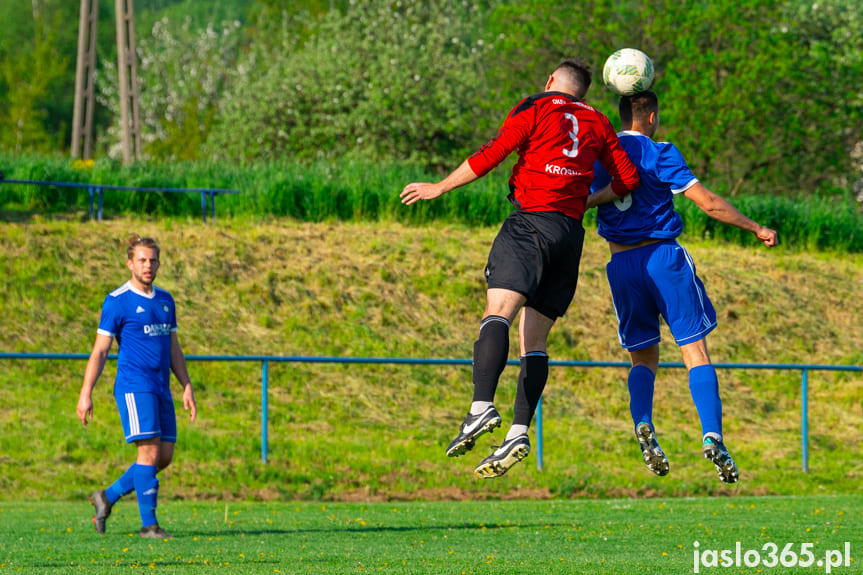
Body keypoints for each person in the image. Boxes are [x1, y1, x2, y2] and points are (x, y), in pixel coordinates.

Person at [401, 59, 640, 478]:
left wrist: (438, 187)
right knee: (536, 342)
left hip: (530, 223)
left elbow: (492, 154)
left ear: (550, 82)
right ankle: (517, 431)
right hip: (569, 235)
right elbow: (627, 180)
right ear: (582, 92)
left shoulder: (535, 107)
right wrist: (584, 201)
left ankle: (479, 408)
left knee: (498, 314)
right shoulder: (599, 122)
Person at [587, 90, 778, 484]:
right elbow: (707, 202)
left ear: (621, 116)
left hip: (621, 264)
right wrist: (755, 227)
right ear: (652, 118)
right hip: (663, 259)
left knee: (643, 359)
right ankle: (711, 434)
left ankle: (643, 423)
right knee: (695, 351)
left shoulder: (599, 155)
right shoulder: (661, 152)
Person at [76, 234, 197, 538]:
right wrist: (85, 392)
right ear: (130, 263)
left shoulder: (166, 300)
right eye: (142, 260)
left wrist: (186, 384)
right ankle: (149, 526)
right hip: (134, 385)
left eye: (153, 260)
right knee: (149, 455)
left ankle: (106, 496)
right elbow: (100, 351)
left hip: (161, 387)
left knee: (164, 457)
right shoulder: (117, 301)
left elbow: (173, 347)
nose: (148, 265)